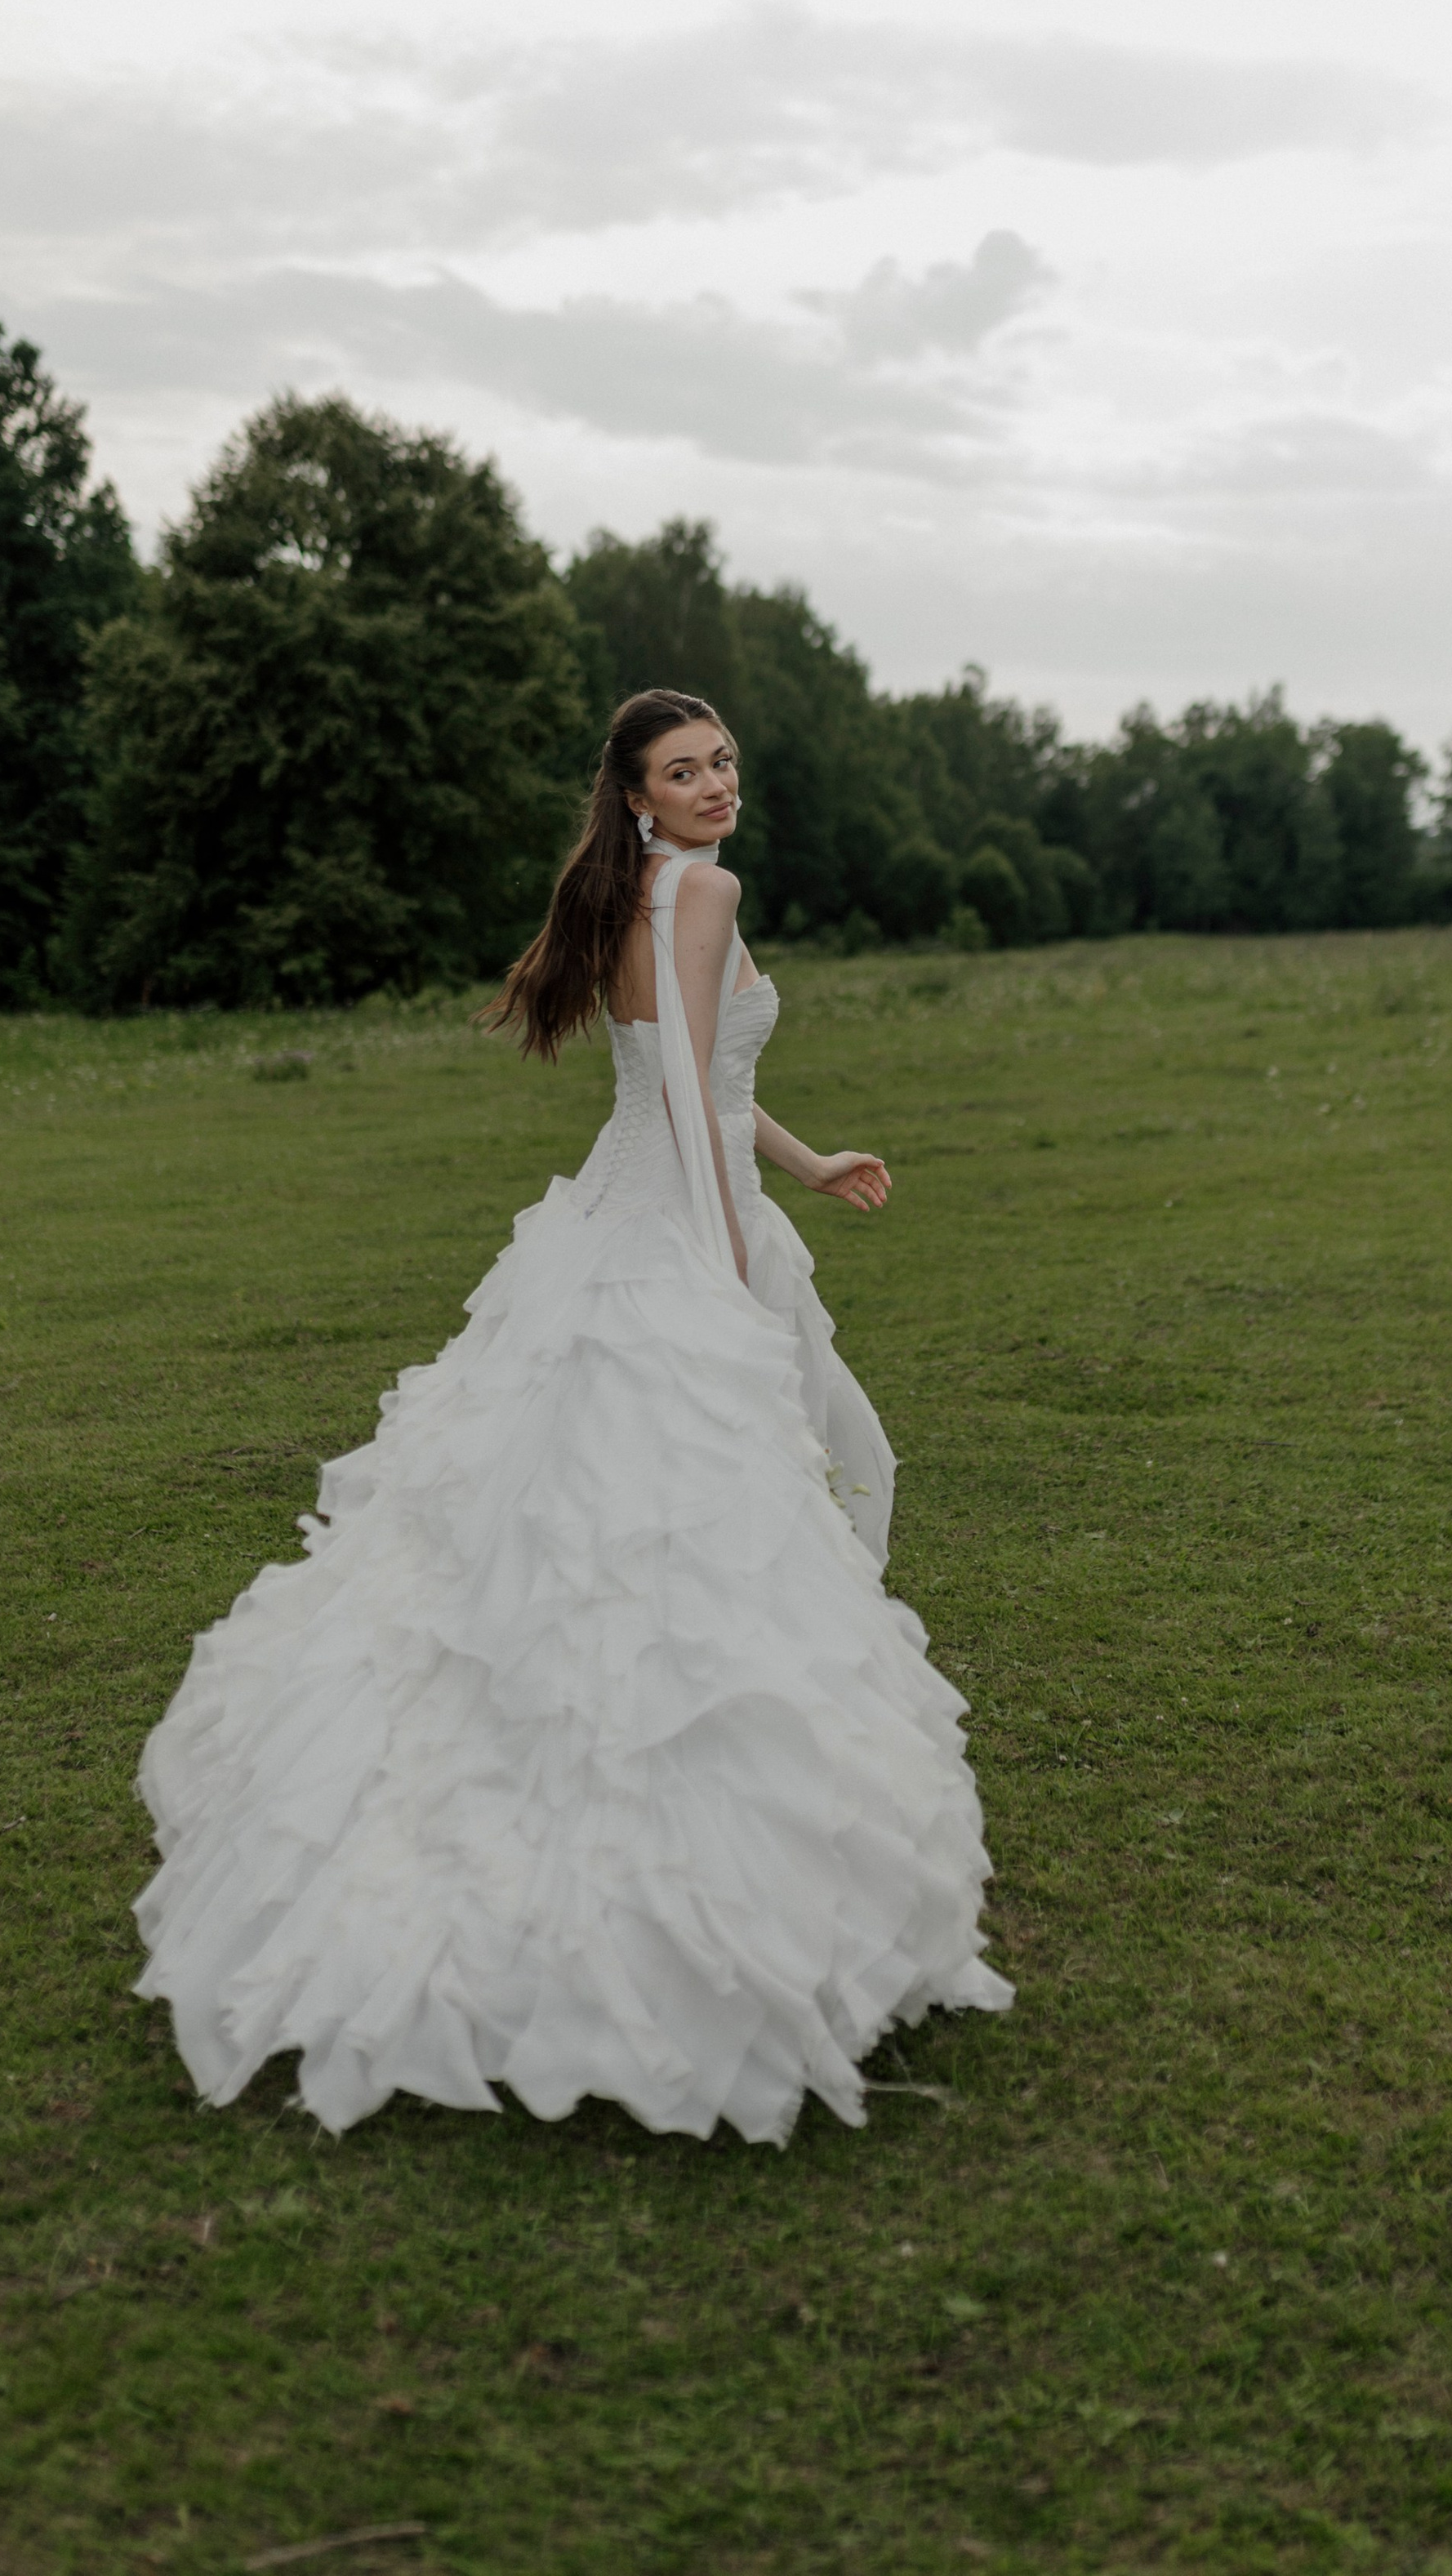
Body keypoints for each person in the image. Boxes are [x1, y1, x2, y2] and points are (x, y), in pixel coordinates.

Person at [132, 688, 1011, 2145]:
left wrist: (803, 1166)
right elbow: (682, 1098)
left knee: (586, 1515)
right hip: (673, 1225)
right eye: (684, 770)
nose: (717, 784)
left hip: (624, 1216)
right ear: (637, 794)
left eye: (724, 760)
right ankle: (683, 1865)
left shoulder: (637, 890)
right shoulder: (701, 891)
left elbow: (703, 1079)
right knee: (702, 1513)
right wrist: (728, 1267)